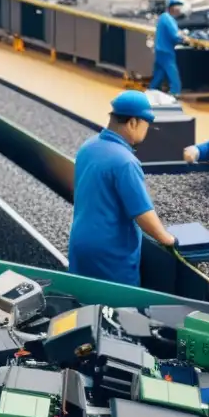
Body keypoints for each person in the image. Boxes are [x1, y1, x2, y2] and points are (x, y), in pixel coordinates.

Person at [69, 91, 177, 287]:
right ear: (133, 122)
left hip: (80, 243)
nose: (147, 130)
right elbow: (143, 214)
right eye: (146, 124)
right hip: (110, 252)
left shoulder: (88, 147)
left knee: (83, 305)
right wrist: (167, 239)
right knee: (119, 311)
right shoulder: (125, 162)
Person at [150, 0, 189, 96]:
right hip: (166, 52)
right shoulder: (168, 19)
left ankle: (150, 91)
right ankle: (175, 93)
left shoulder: (163, 17)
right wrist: (184, 38)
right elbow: (175, 35)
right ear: (173, 8)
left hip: (159, 50)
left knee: (159, 74)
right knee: (173, 75)